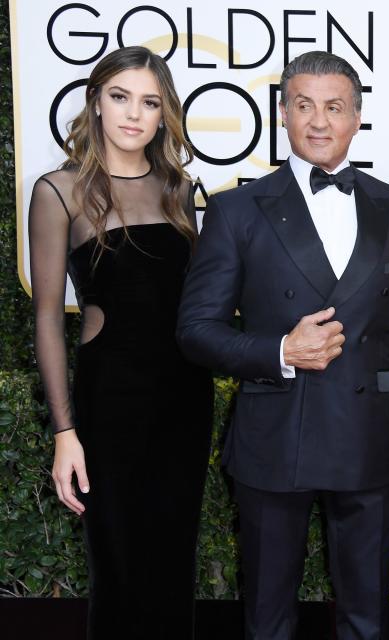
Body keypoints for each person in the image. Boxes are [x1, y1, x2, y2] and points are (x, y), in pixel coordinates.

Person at [176, 52, 389, 640]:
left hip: (366, 434)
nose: (318, 121)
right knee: (267, 618)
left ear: (357, 117)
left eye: (334, 107)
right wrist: (281, 350)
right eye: (303, 105)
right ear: (282, 113)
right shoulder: (236, 209)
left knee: (368, 620)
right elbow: (196, 330)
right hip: (274, 435)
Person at [30, 46, 212, 638]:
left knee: (172, 562)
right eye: (120, 97)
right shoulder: (59, 192)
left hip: (185, 399)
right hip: (110, 403)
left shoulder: (179, 189)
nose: (134, 114)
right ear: (96, 103)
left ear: (164, 115)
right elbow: (47, 320)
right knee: (118, 565)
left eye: (150, 102)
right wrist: (64, 433)